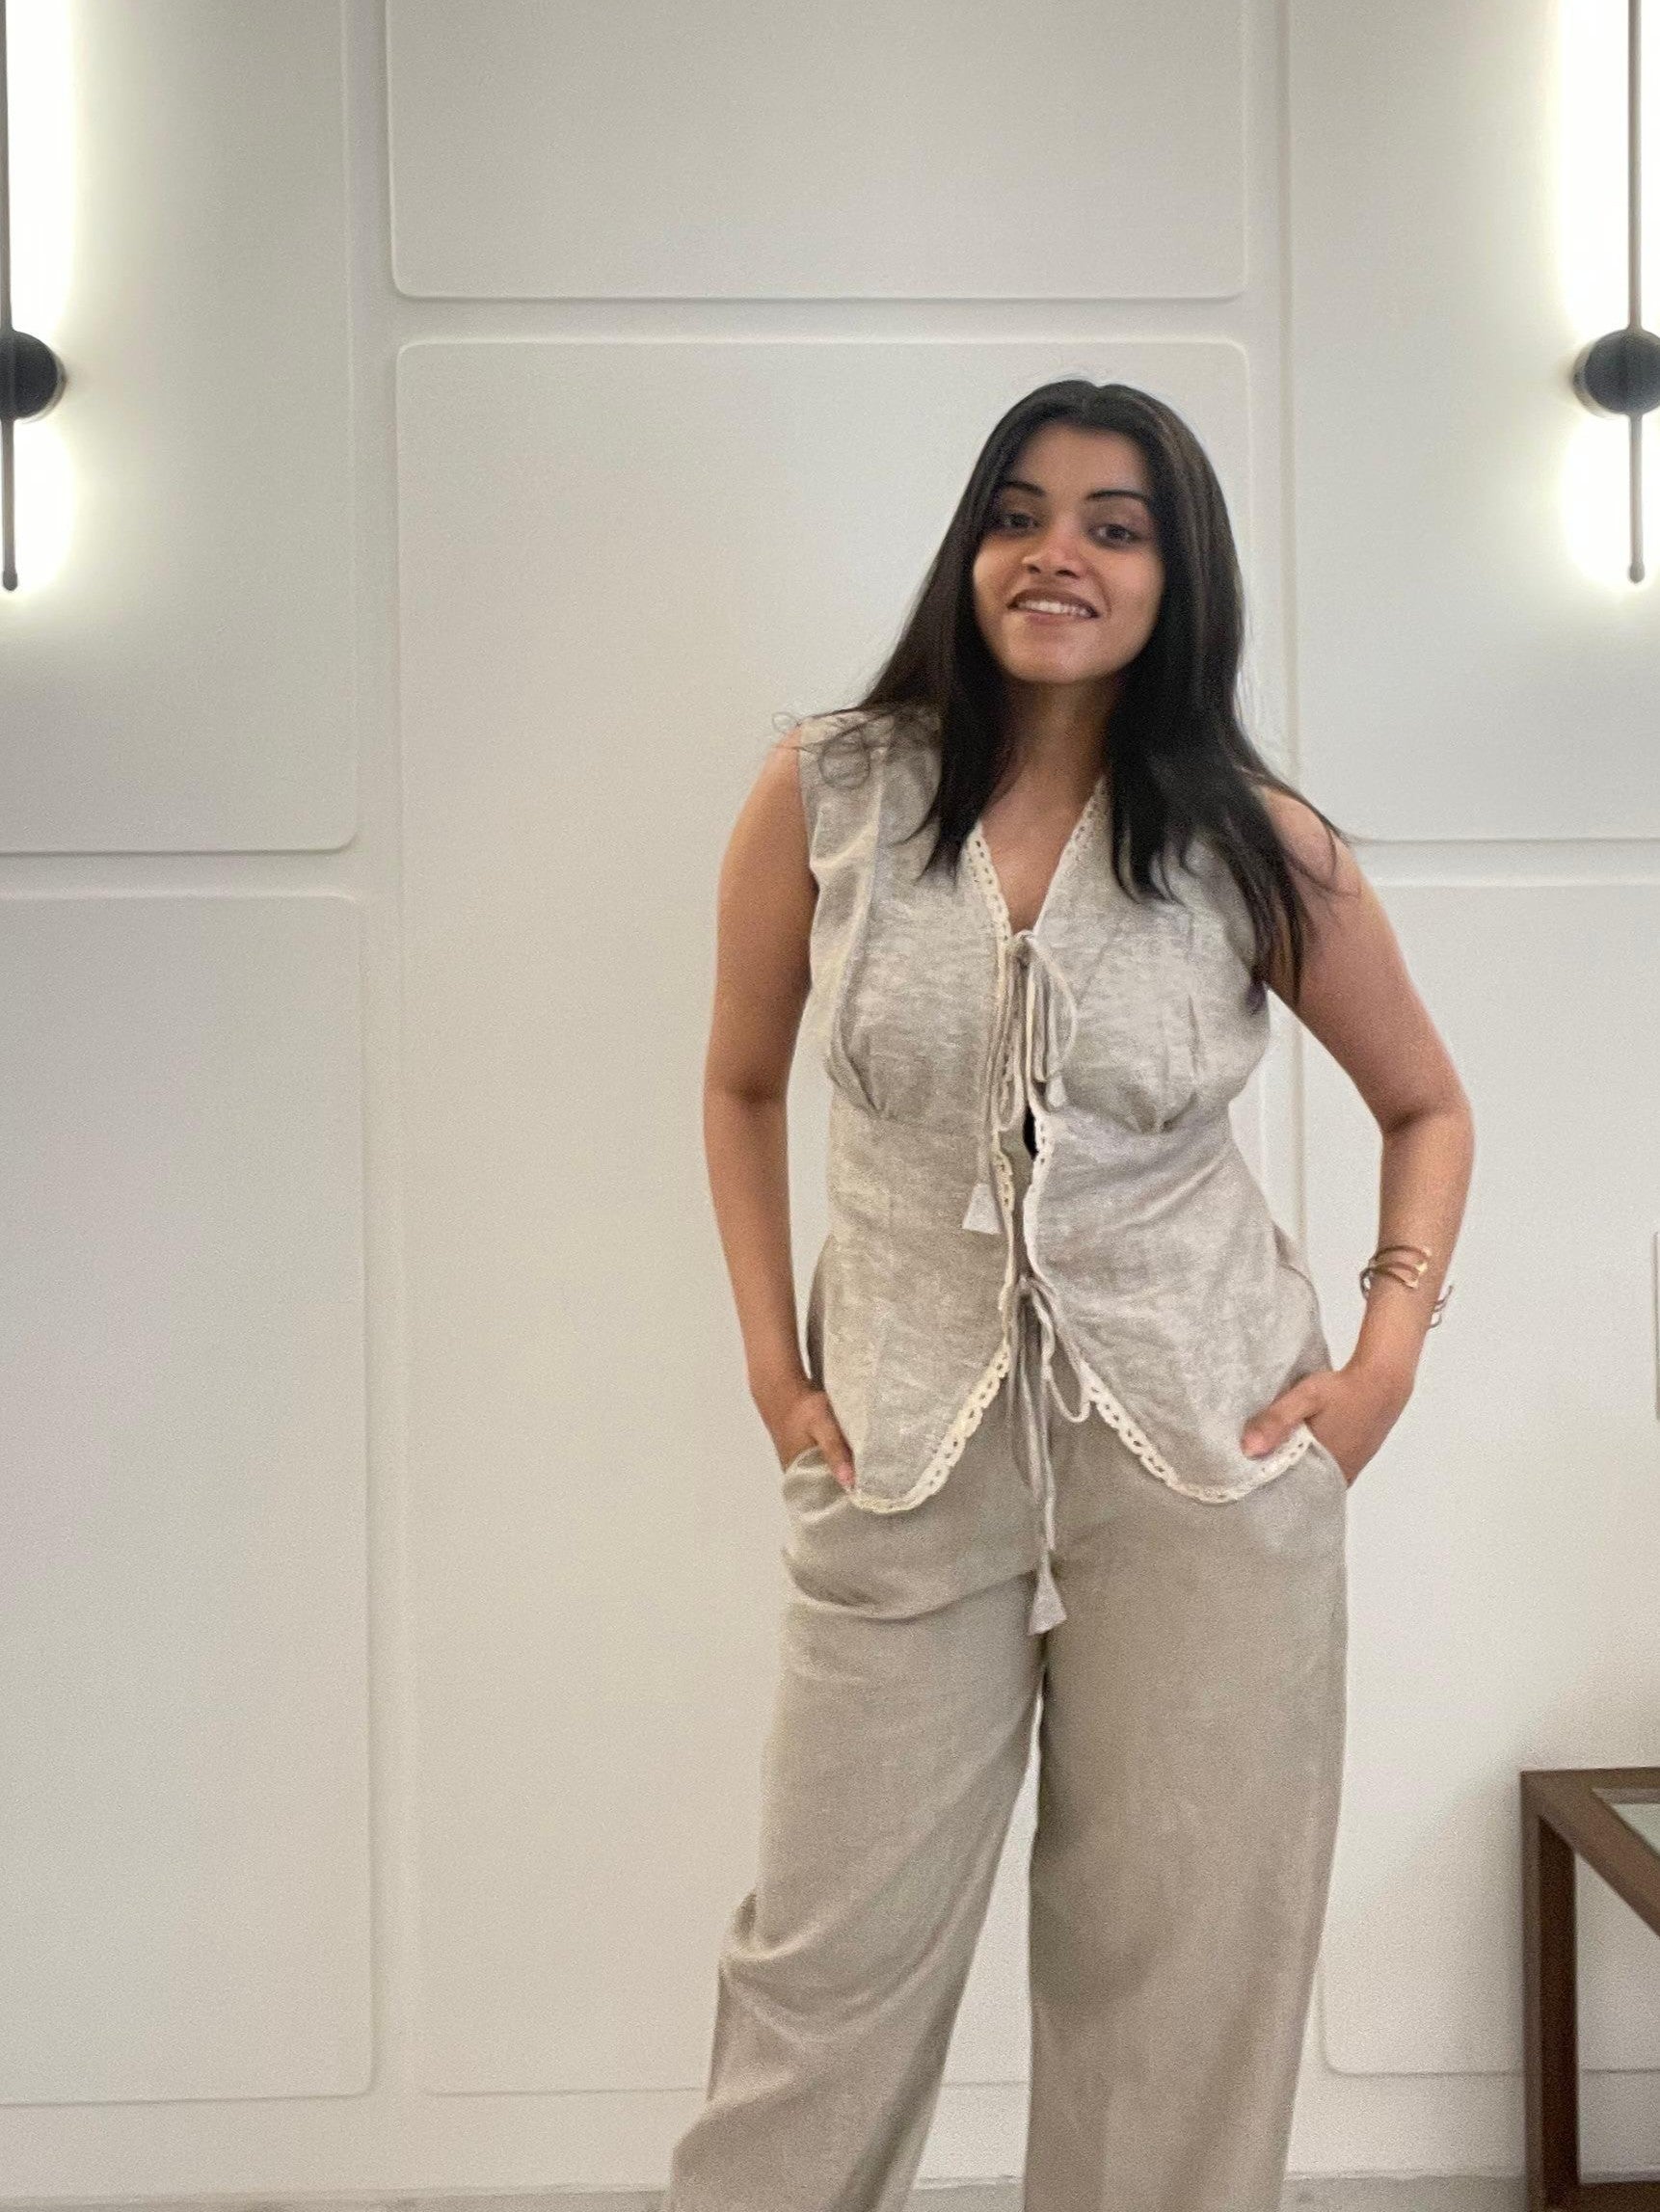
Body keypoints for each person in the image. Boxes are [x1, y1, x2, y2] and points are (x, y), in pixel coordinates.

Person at [668, 380, 1475, 2212]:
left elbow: (1425, 1105)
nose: (1059, 555)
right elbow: (736, 1082)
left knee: (1179, 1983)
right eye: (1019, 515)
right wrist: (772, 1372)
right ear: (970, 548)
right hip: (896, 1455)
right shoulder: (829, 792)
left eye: (1116, 527)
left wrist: (1382, 1359)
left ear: (1177, 577)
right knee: (820, 1973)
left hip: (1207, 1459)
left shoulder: (1254, 838)